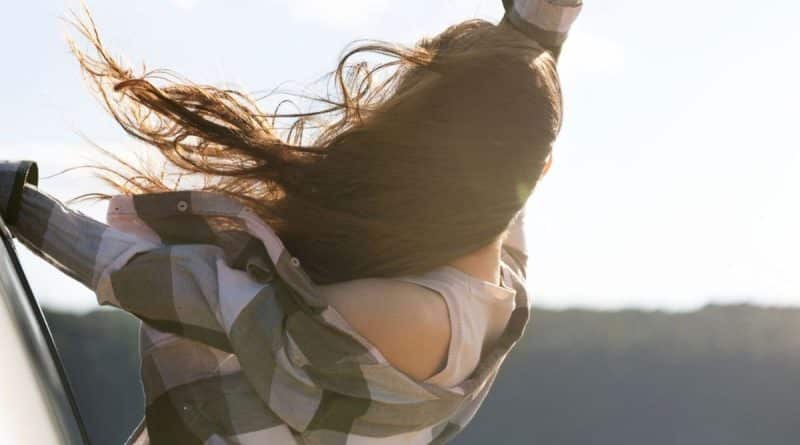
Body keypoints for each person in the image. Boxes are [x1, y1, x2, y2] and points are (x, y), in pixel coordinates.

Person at [0, 0, 582, 443]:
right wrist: (542, 27)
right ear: (546, 167)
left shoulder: (412, 320)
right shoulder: (499, 292)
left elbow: (186, 289)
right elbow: (507, 143)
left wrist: (18, 204)